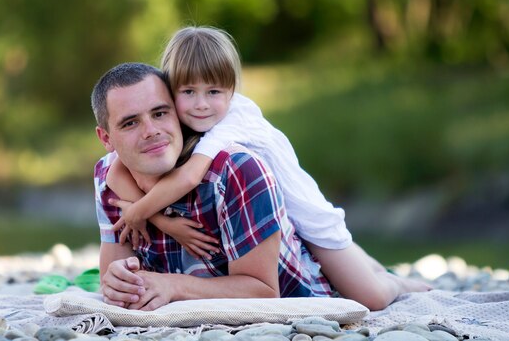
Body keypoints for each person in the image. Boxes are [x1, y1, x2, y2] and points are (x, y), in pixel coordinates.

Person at [105, 27, 431, 311]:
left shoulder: (230, 122)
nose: (201, 104)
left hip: (306, 215)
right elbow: (112, 172)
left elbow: (189, 177)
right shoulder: (180, 124)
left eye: (214, 92)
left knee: (368, 296)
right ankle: (376, 268)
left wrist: (137, 213)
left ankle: (399, 286)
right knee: (357, 263)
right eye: (188, 92)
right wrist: (163, 221)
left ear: (232, 91)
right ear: (171, 89)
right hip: (277, 219)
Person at [91, 62, 334, 311]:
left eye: (160, 113)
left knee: (373, 292)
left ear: (177, 112)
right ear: (106, 139)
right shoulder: (108, 178)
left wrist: (173, 286)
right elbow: (115, 287)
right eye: (130, 123)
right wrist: (118, 281)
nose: (151, 131)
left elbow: (263, 291)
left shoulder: (237, 171)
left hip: (303, 307)